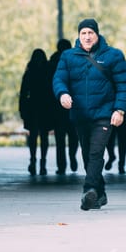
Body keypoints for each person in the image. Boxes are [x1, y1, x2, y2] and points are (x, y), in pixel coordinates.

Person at [53, 18, 126, 210]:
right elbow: (59, 79)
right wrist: (62, 93)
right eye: (83, 33)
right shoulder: (68, 56)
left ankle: (89, 190)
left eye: (90, 33)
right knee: (88, 155)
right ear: (79, 35)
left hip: (104, 114)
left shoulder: (113, 55)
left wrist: (120, 110)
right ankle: (100, 193)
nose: (87, 37)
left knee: (96, 152)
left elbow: (125, 84)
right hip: (80, 115)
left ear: (97, 35)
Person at [18, 48, 53, 176]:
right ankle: (42, 163)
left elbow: (23, 93)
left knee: (33, 136)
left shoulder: (29, 73)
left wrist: (22, 109)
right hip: (45, 108)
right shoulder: (48, 72)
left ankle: (33, 161)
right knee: (44, 136)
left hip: (32, 108)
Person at [48, 39, 78, 174]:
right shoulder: (75, 60)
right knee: (73, 135)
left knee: (60, 139)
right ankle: (72, 156)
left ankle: (61, 166)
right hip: (72, 106)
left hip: (56, 107)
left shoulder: (52, 62)